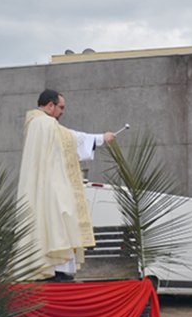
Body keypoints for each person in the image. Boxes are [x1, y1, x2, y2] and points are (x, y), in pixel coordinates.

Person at [16, 90, 117, 281]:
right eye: (61, 107)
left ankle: (55, 269)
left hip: (44, 182)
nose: (62, 112)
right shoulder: (44, 123)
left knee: (54, 221)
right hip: (50, 185)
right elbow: (70, 139)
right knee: (59, 218)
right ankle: (55, 269)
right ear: (50, 105)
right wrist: (100, 138)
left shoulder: (36, 123)